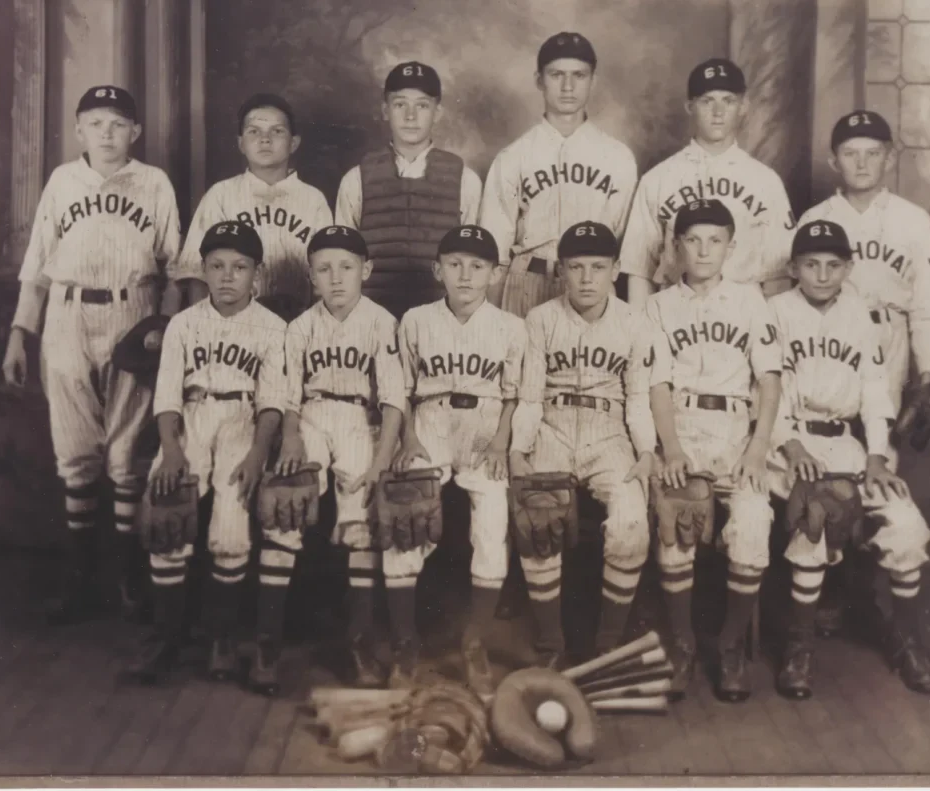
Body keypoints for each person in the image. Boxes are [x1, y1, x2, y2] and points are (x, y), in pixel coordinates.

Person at [1, 85, 181, 624]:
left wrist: (162, 326)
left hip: (134, 310)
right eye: (95, 123)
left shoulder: (154, 183)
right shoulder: (62, 181)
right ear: (79, 130)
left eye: (118, 123)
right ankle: (81, 580)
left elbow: (175, 266)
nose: (107, 133)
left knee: (128, 455)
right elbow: (36, 266)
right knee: (76, 451)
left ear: (136, 133)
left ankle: (129, 579)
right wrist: (18, 333)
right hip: (67, 314)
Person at [767, 220, 930, 697]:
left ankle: (907, 636)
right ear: (792, 267)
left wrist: (879, 456)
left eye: (833, 265)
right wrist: (791, 444)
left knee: (904, 523)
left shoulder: (860, 315)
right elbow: (766, 391)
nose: (821, 274)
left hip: (847, 443)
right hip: (790, 444)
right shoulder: (774, 311)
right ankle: (799, 648)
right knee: (812, 520)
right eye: (810, 264)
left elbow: (873, 391)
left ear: (849, 267)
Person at [797, 110, 930, 636]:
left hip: (891, 341)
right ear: (833, 160)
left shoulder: (911, 219)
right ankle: (834, 588)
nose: (861, 162)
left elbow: (925, 307)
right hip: (831, 345)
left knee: (880, 465)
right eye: (850, 153)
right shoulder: (817, 215)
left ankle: (863, 591)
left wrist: (929, 375)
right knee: (832, 468)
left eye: (872, 152)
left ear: (889, 157)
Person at [125, 221, 287, 685]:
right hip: (191, 417)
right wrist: (171, 450)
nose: (227, 276)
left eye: (239, 267)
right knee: (166, 514)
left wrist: (258, 451)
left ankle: (222, 638)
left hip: (242, 419)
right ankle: (165, 639)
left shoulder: (273, 327)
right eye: (216, 266)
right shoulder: (184, 323)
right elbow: (168, 396)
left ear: (256, 275)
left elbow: (272, 401)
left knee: (231, 529)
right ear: (204, 271)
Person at [647, 199, 781, 703]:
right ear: (676, 245)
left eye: (715, 240)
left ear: (730, 246)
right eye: (693, 240)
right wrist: (672, 447)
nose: (703, 250)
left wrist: (758, 446)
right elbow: (657, 384)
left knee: (751, 527)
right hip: (680, 423)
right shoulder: (659, 305)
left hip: (734, 430)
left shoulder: (749, 301)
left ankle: (730, 647)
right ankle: (681, 644)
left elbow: (769, 380)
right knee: (674, 523)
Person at [509, 221, 657, 669]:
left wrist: (647, 451)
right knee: (539, 520)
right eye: (577, 267)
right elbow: (530, 396)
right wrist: (519, 450)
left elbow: (637, 399)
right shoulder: (539, 320)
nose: (587, 278)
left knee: (631, 523)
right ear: (561, 272)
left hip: (608, 430)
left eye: (598, 267)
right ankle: (552, 643)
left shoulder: (634, 323)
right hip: (551, 424)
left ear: (615, 271)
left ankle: (608, 642)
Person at [389, 224, 526, 697]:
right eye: (455, 264)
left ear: (494, 272)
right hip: (429, 423)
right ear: (438, 269)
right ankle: (406, 646)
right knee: (403, 523)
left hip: (486, 427)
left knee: (491, 529)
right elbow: (400, 392)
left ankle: (475, 644)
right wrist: (407, 439)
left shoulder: (511, 326)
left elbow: (514, 397)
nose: (465, 275)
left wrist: (501, 443)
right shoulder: (414, 320)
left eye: (477, 266)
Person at [274, 225, 406, 690]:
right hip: (311, 416)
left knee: (361, 520)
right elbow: (288, 398)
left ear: (365, 270)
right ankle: (269, 644)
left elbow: (393, 401)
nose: (336, 278)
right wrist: (290, 438)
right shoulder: (300, 327)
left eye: (346, 267)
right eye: (324, 269)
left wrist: (381, 461)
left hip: (358, 417)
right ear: (311, 277)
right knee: (286, 501)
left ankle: (360, 642)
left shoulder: (381, 321)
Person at [480, 32, 638, 318]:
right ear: (539, 80)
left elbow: (626, 247)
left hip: (593, 283)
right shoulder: (513, 157)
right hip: (527, 282)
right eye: (556, 75)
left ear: (593, 81)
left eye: (579, 75)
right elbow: (494, 252)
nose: (568, 86)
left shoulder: (618, 158)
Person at [621, 58, 796, 311]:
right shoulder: (658, 179)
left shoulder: (765, 181)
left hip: (743, 314)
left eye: (728, 101)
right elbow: (639, 271)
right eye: (707, 101)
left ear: (744, 106)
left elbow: (778, 276)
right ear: (690, 106)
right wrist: (640, 331)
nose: (718, 112)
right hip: (675, 313)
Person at [335, 62, 482, 319]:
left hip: (441, 322)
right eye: (400, 104)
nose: (410, 116)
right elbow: (342, 261)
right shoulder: (356, 178)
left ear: (437, 112)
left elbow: (475, 263)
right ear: (385, 110)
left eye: (422, 105)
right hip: (372, 320)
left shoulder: (465, 180)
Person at [175, 93, 332, 318]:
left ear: (293, 143)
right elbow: (195, 274)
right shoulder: (221, 194)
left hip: (298, 320)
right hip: (234, 322)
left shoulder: (313, 199)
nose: (265, 139)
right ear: (241, 143)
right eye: (254, 131)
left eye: (277, 131)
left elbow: (326, 275)